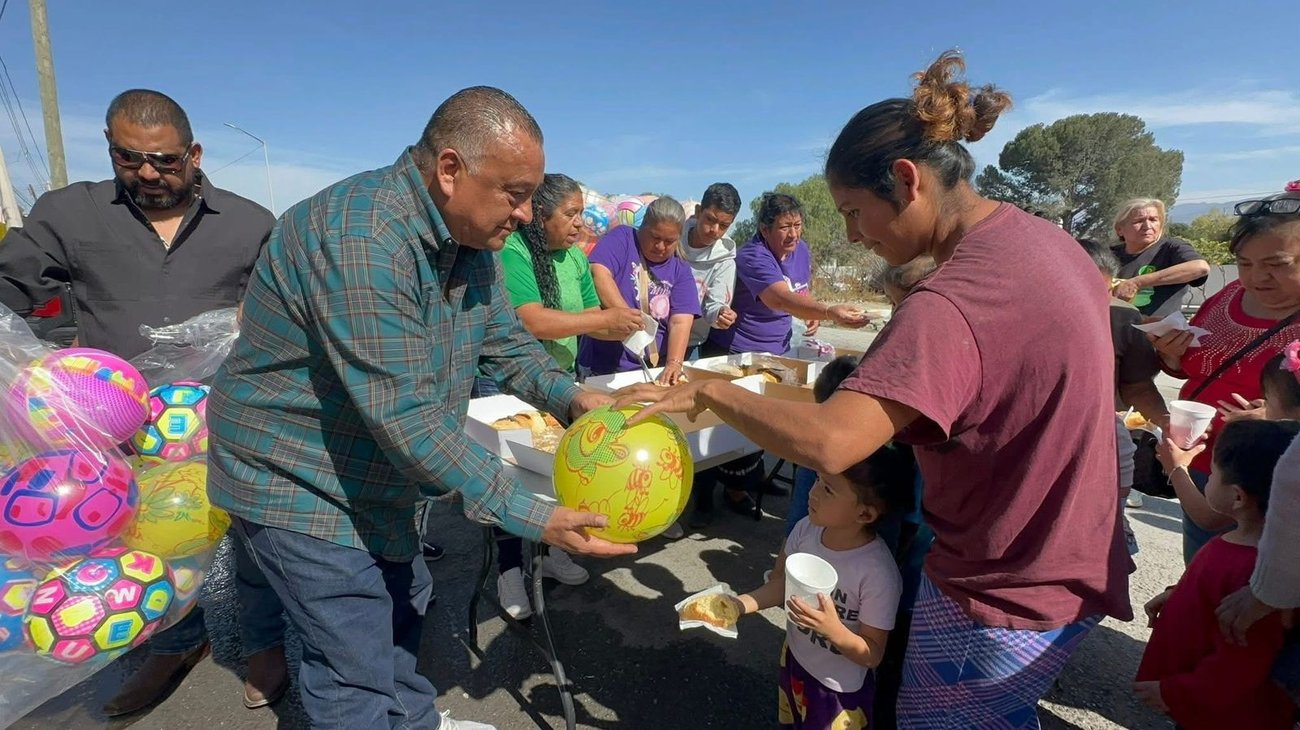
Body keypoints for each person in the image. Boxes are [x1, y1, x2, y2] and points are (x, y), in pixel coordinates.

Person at [617, 50, 1132, 729]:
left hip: (1004, 585)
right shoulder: (1044, 241)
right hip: (1077, 554)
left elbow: (833, 443)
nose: (855, 235)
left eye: (855, 212)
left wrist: (714, 392)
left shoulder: (955, 297)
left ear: (907, 180)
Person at [206, 86, 634, 730]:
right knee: (350, 653)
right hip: (296, 476)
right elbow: (404, 415)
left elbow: (506, 344)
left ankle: (413, 721)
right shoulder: (363, 236)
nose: (524, 213)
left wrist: (572, 396)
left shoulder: (471, 242)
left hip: (374, 472)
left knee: (405, 602)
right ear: (451, 168)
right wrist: (532, 513)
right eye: (514, 193)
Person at [0, 89, 288, 716]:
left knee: (250, 532)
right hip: (107, 427)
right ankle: (172, 644)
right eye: (130, 160)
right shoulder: (67, 214)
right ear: (110, 150)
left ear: (195, 152)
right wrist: (48, 354)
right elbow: (14, 288)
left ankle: (264, 642)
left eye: (165, 160)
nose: (150, 174)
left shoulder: (248, 222)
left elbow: (280, 310)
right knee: (141, 535)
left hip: (223, 415)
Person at [474, 173, 642, 619]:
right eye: (569, 214)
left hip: (560, 378)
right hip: (507, 384)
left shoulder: (573, 258)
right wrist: (597, 323)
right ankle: (510, 568)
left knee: (561, 468)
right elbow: (528, 321)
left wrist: (607, 320)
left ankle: (550, 554)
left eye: (580, 213)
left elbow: (591, 309)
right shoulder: (513, 251)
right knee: (509, 477)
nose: (578, 223)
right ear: (540, 216)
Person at [1149, 190, 1300, 563]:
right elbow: (1192, 366)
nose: (1255, 277)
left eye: (1276, 264)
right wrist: (1171, 356)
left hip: (1268, 485)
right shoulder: (1228, 295)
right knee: (1202, 569)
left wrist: (1279, 419)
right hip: (1198, 464)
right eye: (1244, 262)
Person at [727, 447, 913, 729]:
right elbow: (781, 585)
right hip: (795, 661)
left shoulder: (877, 574)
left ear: (864, 514)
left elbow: (872, 653)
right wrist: (738, 604)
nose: (812, 493)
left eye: (828, 489)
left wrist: (833, 630)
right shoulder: (805, 530)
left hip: (838, 691)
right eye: (816, 480)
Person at [1135, 420, 1298, 730]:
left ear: (1237, 497)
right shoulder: (1247, 550)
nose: (1207, 480)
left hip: (1225, 715)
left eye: (1212, 474)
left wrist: (1176, 693)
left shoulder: (1255, 576)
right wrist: (1177, 594)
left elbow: (1241, 665)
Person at [705, 192, 868, 357]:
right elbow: (779, 299)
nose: (793, 235)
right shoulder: (753, 256)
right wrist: (828, 312)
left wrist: (812, 313)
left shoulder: (801, 249)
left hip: (779, 350)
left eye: (797, 225)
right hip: (736, 351)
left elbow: (801, 290)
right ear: (765, 229)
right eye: (784, 227)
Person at [1078, 238, 1169, 511]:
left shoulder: (1124, 318)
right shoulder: (1021, 311)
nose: (1100, 302)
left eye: (1106, 291)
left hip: (1100, 438)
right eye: (1088, 290)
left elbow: (1137, 386)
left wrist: (1168, 426)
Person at [578, 196, 700, 384]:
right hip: (602, 368)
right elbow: (599, 273)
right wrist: (628, 317)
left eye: (669, 241)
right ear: (643, 226)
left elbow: (680, 322)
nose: (660, 247)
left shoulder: (680, 268)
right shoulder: (623, 238)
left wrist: (674, 364)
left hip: (651, 370)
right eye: (655, 237)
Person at [1110, 198, 1211, 318]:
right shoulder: (1108, 255)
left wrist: (1137, 282)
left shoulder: (1170, 248)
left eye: (1153, 220)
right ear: (1119, 229)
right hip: (1116, 333)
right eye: (1138, 221)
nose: (1147, 226)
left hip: (1161, 333)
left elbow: (1200, 267)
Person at [680, 182, 741, 360]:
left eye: (723, 225)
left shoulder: (725, 261)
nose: (715, 230)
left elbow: (714, 305)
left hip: (689, 346)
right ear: (699, 212)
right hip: (651, 340)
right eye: (710, 219)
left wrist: (721, 314)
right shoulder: (672, 238)